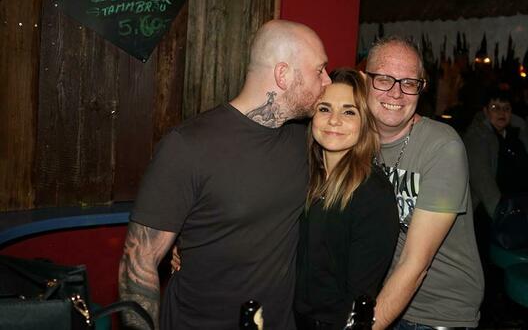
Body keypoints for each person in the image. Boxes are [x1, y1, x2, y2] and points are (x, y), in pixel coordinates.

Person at [118, 19, 331, 330]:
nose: (327, 80)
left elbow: (360, 120)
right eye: (319, 70)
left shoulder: (307, 138)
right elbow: (137, 265)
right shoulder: (188, 146)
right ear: (283, 75)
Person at [364, 37, 484, 330]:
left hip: (436, 311)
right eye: (384, 79)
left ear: (421, 88)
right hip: (378, 294)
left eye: (409, 83)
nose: (396, 93)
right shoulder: (354, 139)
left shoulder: (442, 146)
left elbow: (414, 265)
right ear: (364, 81)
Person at [294, 68, 399, 329]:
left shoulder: (372, 194)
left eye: (349, 112)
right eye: (325, 109)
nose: (334, 120)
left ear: (365, 123)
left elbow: (359, 296)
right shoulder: (302, 176)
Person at [463, 87, 528, 219]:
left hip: (525, 204)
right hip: (491, 211)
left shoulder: (518, 131)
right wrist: (504, 214)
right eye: (495, 108)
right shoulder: (477, 137)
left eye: (506, 108)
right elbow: (483, 181)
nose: (501, 113)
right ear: (485, 111)